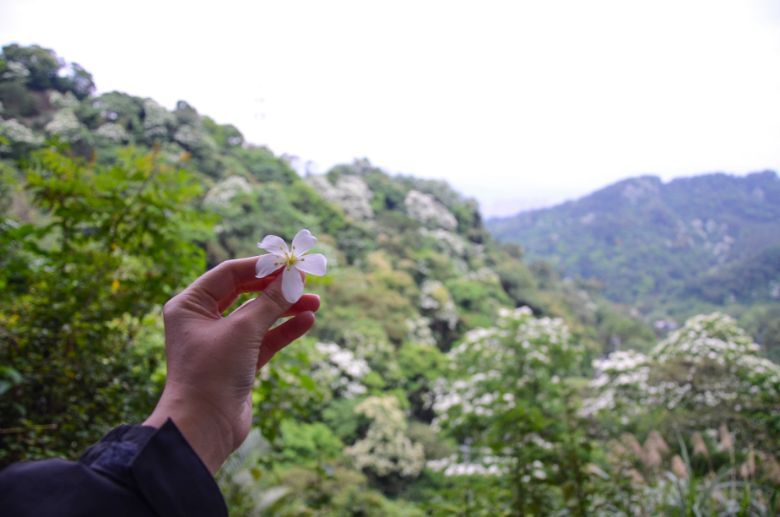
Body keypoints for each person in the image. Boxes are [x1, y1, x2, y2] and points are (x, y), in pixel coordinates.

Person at [0, 257, 320, 516]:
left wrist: (209, 417)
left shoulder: (23, 492)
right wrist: (209, 417)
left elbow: (93, 497)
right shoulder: (24, 491)